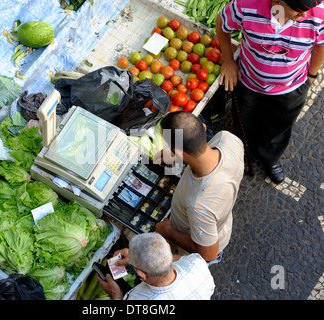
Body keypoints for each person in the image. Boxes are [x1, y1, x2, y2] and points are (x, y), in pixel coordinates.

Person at [215, 0, 324, 184]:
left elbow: (321, 45)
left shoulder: (318, 14)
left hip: (292, 86)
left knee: (278, 127)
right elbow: (222, 23)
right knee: (244, 120)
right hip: (248, 82)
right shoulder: (246, 5)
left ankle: (270, 158)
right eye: (299, 10)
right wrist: (228, 60)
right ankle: (242, 152)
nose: (304, 15)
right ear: (277, 1)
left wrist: (310, 77)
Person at [154, 111, 244, 265]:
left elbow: (208, 255)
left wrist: (169, 231)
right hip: (219, 224)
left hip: (200, 241)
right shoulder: (228, 139)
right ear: (203, 127)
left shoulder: (199, 205)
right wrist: (178, 155)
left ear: (178, 151)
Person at [97, 232, 215, 300]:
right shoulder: (197, 264)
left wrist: (116, 296)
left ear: (141, 274)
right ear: (168, 247)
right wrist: (137, 259)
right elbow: (182, 259)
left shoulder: (137, 297)